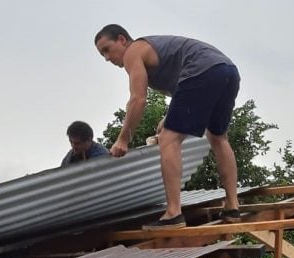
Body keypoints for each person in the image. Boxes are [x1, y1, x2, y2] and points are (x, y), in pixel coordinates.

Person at [94, 24, 241, 230]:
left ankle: (173, 213)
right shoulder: (158, 52)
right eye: (102, 55)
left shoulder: (133, 51)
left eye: (107, 50)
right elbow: (185, 90)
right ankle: (233, 207)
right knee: (218, 137)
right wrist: (169, 117)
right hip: (227, 71)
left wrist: (123, 139)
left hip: (202, 70)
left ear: (121, 40)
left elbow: (138, 99)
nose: (107, 58)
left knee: (168, 139)